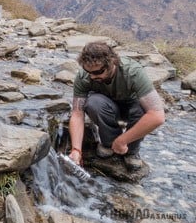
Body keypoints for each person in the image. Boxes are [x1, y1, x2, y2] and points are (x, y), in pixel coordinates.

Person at [68, 41, 165, 170]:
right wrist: (76, 150)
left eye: (98, 72)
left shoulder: (132, 72)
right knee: (93, 103)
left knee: (141, 110)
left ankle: (131, 151)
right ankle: (108, 144)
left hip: (132, 108)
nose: (92, 76)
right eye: (88, 71)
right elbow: (77, 114)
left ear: (112, 63)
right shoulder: (84, 76)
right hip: (107, 107)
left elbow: (157, 116)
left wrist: (123, 140)